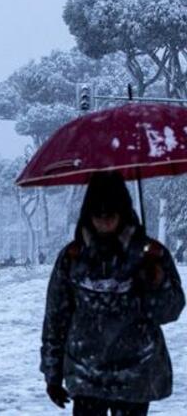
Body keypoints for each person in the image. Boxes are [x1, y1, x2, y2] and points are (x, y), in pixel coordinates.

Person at [41, 172, 185, 416]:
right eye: (98, 214)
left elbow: (169, 312)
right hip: (87, 375)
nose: (105, 221)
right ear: (89, 214)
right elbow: (56, 319)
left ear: (123, 211)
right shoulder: (73, 258)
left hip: (135, 374)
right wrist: (52, 374)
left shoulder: (150, 256)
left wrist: (156, 282)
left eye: (111, 213)